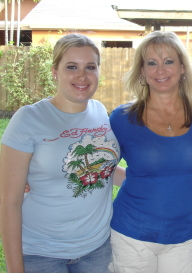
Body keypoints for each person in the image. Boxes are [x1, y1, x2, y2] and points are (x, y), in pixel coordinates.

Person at [0, 33, 124, 273]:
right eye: (71, 67)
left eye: (90, 67)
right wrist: (16, 269)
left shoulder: (99, 111)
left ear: (99, 71)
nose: (82, 75)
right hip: (41, 253)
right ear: (55, 71)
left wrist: (150, 181)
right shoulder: (29, 119)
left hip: (97, 248)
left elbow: (101, 168)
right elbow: (9, 202)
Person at [107, 31, 192, 273]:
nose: (160, 70)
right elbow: (100, 168)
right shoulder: (123, 118)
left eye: (169, 61)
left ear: (182, 67)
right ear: (142, 70)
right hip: (130, 234)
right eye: (151, 63)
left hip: (183, 237)